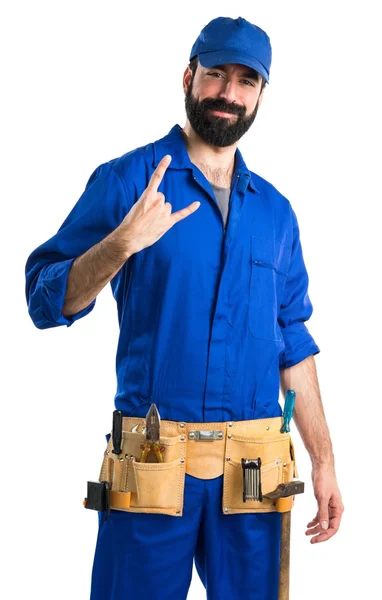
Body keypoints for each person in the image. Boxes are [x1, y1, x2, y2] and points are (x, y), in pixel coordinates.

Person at [25, 15, 344, 600]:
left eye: (246, 81)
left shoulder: (276, 213)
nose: (228, 93)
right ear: (188, 76)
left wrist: (324, 460)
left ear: (260, 95)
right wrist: (119, 245)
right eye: (216, 74)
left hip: (254, 472)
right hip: (152, 466)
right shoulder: (129, 182)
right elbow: (45, 299)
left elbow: (292, 341)